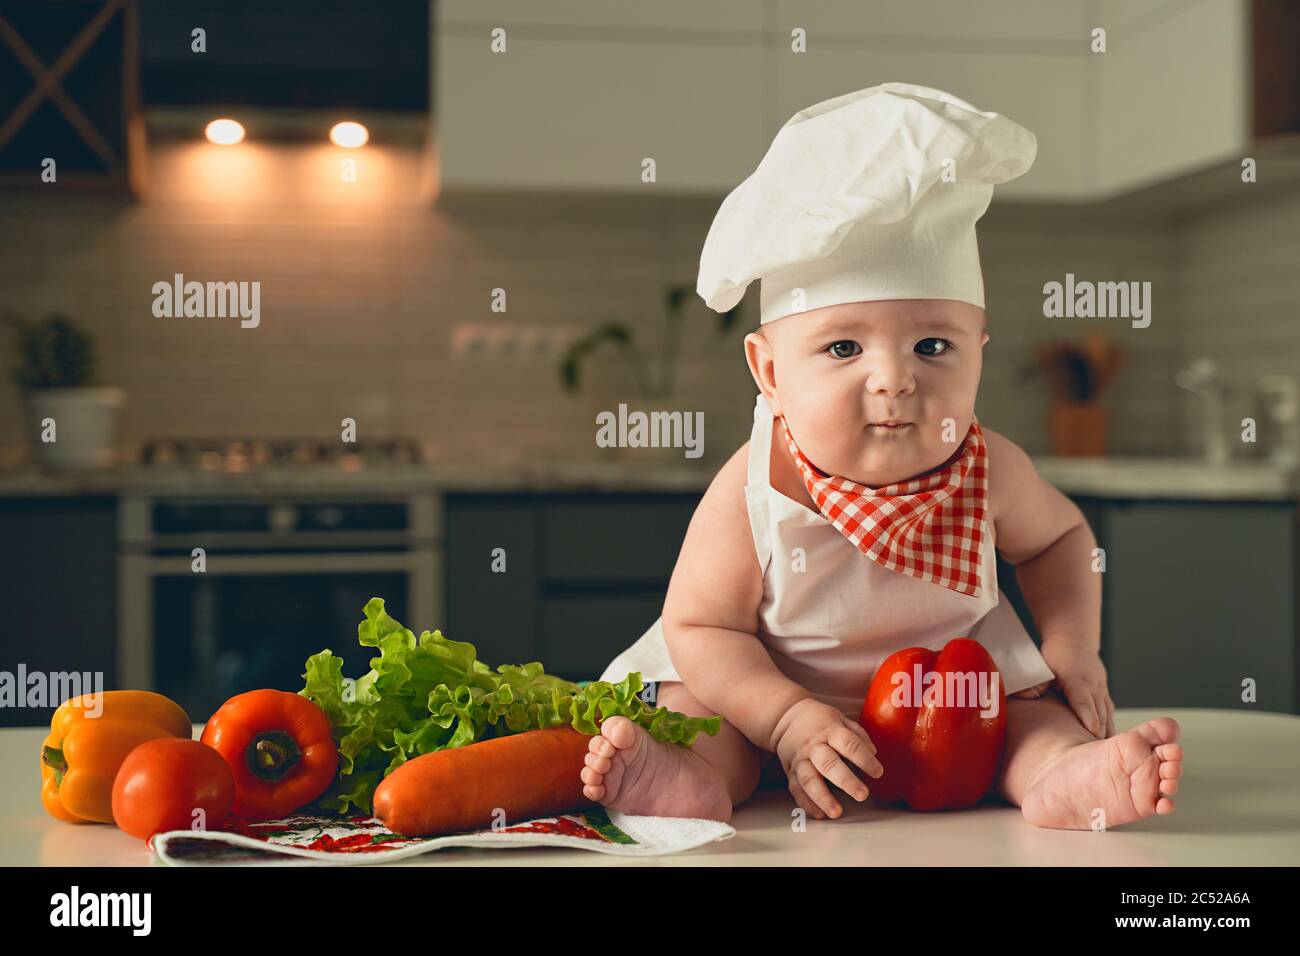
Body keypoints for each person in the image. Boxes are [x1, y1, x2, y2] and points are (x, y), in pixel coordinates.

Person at [585, 83, 1182, 830]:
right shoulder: (756, 483)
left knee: (1027, 720)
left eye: (933, 345)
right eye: (843, 346)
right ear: (769, 372)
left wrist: (1072, 649)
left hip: (947, 711)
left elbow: (1062, 539)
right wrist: (787, 721)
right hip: (767, 698)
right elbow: (702, 630)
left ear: (980, 354)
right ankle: (694, 781)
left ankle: (1060, 774)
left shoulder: (988, 469)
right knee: (703, 715)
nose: (896, 377)